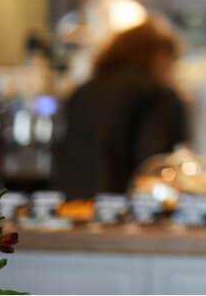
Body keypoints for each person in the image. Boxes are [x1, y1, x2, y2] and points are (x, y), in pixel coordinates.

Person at [52, 17, 188, 199]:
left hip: (73, 200)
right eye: (170, 60)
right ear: (156, 55)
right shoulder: (154, 93)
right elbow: (154, 161)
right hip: (122, 205)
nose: (171, 70)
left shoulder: (85, 90)